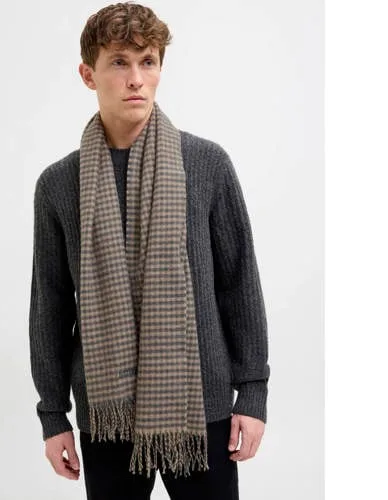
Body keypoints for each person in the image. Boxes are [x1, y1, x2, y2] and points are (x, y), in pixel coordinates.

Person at [28, 2, 270, 499]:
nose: (136, 78)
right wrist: (53, 415)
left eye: (148, 61)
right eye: (119, 62)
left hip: (200, 408)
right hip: (108, 414)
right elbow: (49, 304)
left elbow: (239, 282)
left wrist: (253, 392)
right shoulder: (59, 184)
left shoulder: (206, 164)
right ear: (88, 74)